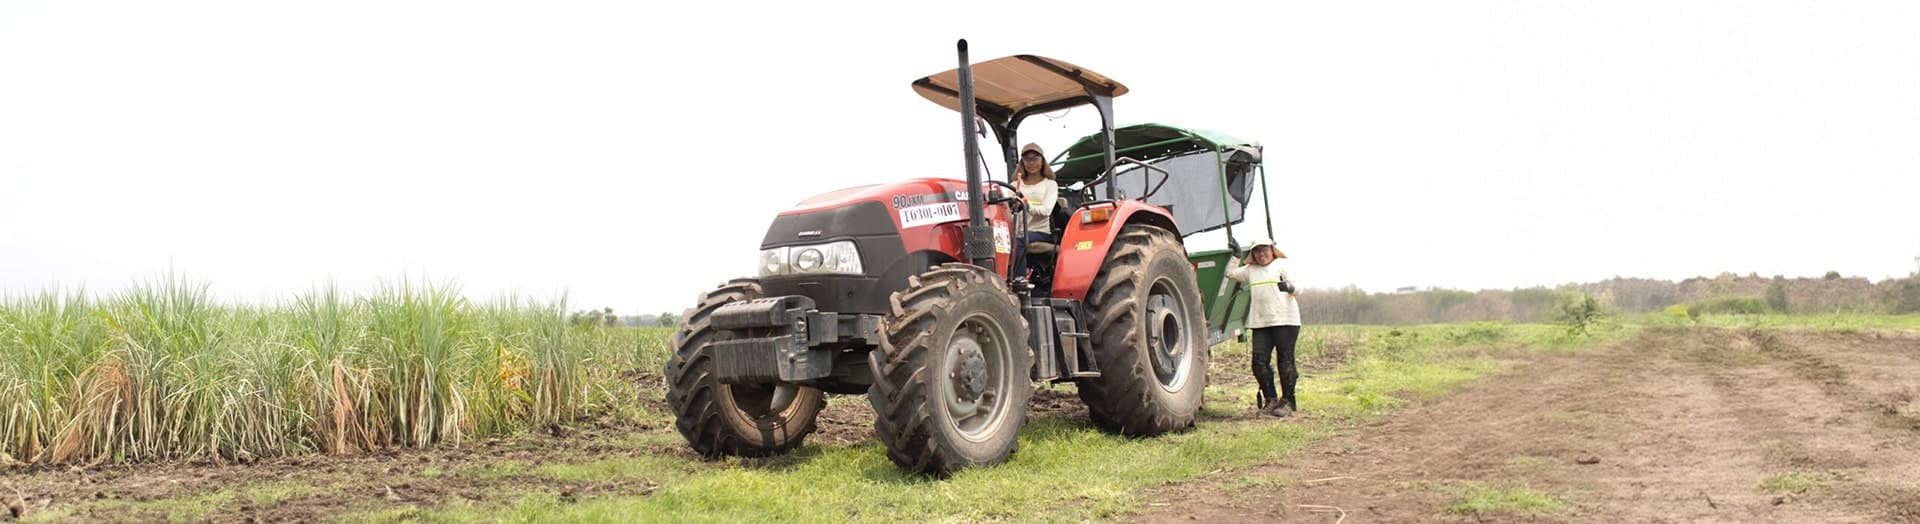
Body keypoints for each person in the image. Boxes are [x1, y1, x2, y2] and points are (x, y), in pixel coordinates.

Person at [1224, 239, 1303, 417]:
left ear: (1272, 250)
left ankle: (1288, 401)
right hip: (1260, 323)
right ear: (1253, 254)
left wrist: (1290, 287)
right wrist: (1236, 256)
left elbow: (1300, 288)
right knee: (1259, 362)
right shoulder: (1250, 271)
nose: (1262, 254)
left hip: (1285, 320)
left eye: (1265, 250)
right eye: (1257, 251)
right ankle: (1271, 400)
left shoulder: (1282, 265)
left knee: (1285, 361)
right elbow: (1230, 273)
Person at [1009, 142, 1058, 281]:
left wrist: (1026, 205)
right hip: (1016, 231)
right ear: (1022, 162)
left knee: (1017, 242)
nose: (1032, 163)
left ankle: (1019, 283)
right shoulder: (1014, 185)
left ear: (1042, 161)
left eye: (1035, 158)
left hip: (1039, 232)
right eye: (1027, 159)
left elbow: (1047, 210)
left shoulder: (1050, 184)